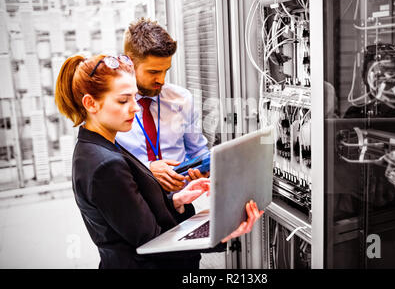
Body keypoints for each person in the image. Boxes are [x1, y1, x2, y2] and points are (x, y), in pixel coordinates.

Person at [54, 54, 263, 269]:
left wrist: (176, 201)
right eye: (123, 100)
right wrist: (222, 233)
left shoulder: (99, 145)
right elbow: (155, 244)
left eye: (134, 98)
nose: (135, 108)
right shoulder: (104, 165)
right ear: (90, 103)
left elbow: (131, 214)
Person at [116, 18, 209, 192]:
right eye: (153, 72)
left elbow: (197, 150)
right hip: (135, 205)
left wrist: (203, 169)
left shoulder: (182, 99)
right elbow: (104, 166)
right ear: (129, 63)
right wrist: (146, 169)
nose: (161, 80)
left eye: (166, 70)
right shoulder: (111, 106)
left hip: (182, 203)